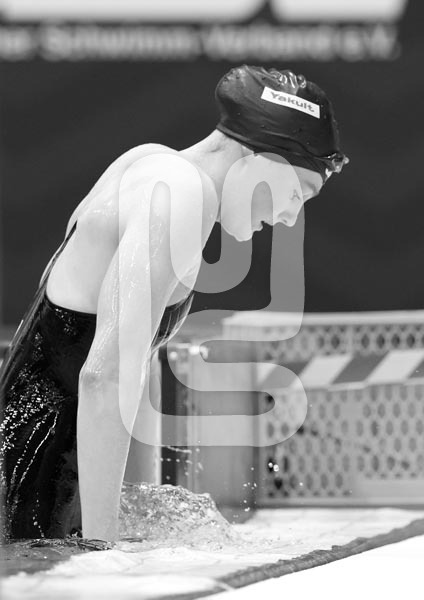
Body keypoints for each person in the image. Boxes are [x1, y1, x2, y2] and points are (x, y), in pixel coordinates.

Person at [0, 65, 348, 542]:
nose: (291, 215)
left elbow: (119, 372)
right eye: (299, 192)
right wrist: (104, 548)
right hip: (23, 494)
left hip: (33, 479)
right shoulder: (180, 192)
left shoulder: (151, 164)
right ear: (262, 155)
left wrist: (118, 522)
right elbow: (104, 377)